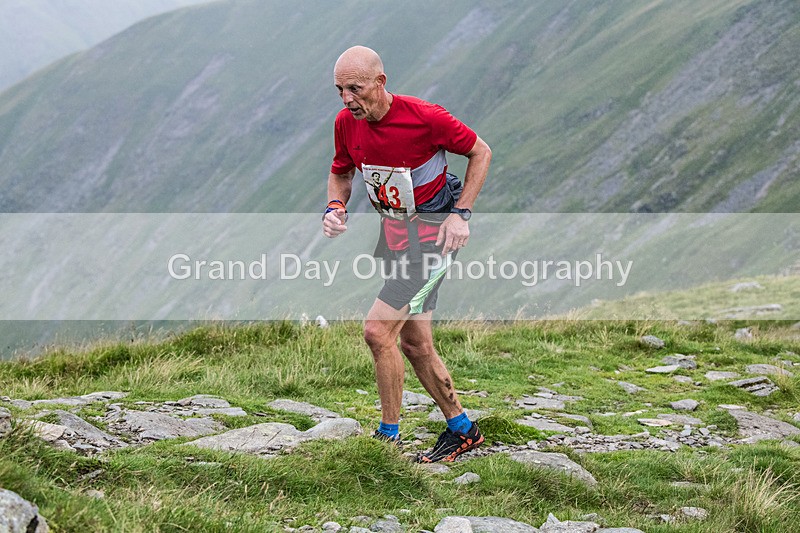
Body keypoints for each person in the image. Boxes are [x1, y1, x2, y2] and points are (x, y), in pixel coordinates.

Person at [322, 46, 492, 463]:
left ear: (380, 82)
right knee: (415, 343)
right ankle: (463, 430)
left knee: (378, 332)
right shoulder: (347, 123)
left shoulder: (425, 116)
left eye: (355, 89)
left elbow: (480, 151)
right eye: (340, 90)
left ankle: (387, 440)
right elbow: (341, 170)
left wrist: (461, 214)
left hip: (433, 238)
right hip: (396, 235)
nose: (347, 99)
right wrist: (335, 207)